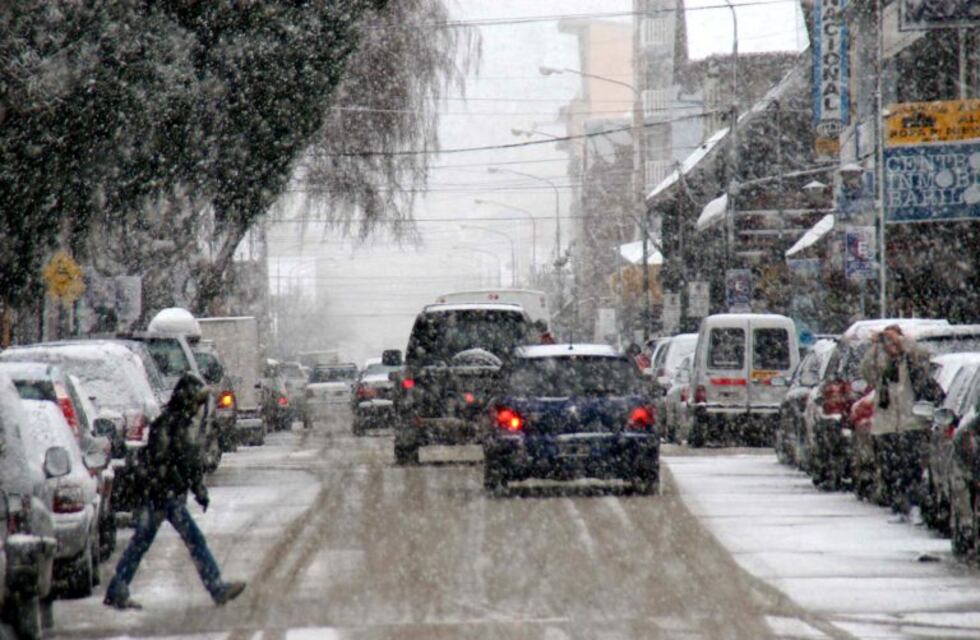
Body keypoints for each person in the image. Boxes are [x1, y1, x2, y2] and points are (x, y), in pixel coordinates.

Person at [104, 373, 246, 610]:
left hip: (161, 495)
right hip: (162, 496)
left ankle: (118, 587)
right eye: (197, 402)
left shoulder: (175, 423)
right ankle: (216, 587)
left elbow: (184, 462)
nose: (198, 408)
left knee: (143, 542)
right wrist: (189, 485)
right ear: (187, 399)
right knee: (191, 540)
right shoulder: (170, 425)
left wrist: (195, 486)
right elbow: (172, 462)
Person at [859, 325, 942, 516]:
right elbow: (866, 371)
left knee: (911, 467)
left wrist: (901, 341)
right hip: (886, 425)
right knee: (891, 469)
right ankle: (898, 505)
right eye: (887, 342)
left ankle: (913, 505)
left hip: (912, 422)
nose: (890, 346)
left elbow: (923, 354)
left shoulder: (912, 360)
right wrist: (875, 346)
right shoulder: (882, 365)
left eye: (893, 341)